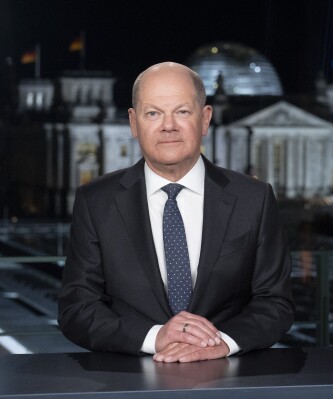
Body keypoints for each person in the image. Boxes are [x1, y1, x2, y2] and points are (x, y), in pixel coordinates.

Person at [58, 62, 294, 362]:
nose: (168, 125)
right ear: (133, 123)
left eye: (182, 112)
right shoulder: (96, 201)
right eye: (153, 113)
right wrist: (155, 337)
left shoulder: (254, 198)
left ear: (205, 118)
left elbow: (276, 303)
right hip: (131, 381)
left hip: (228, 380)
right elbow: (76, 309)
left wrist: (221, 342)